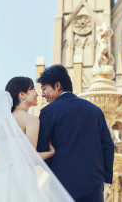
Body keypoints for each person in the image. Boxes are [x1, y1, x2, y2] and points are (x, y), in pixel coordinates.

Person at [37, 64, 115, 202]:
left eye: (44, 89)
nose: (43, 95)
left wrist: (56, 170)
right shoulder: (95, 110)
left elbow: (41, 149)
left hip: (62, 187)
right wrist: (105, 180)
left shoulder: (48, 112)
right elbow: (108, 145)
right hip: (94, 188)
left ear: (57, 85)